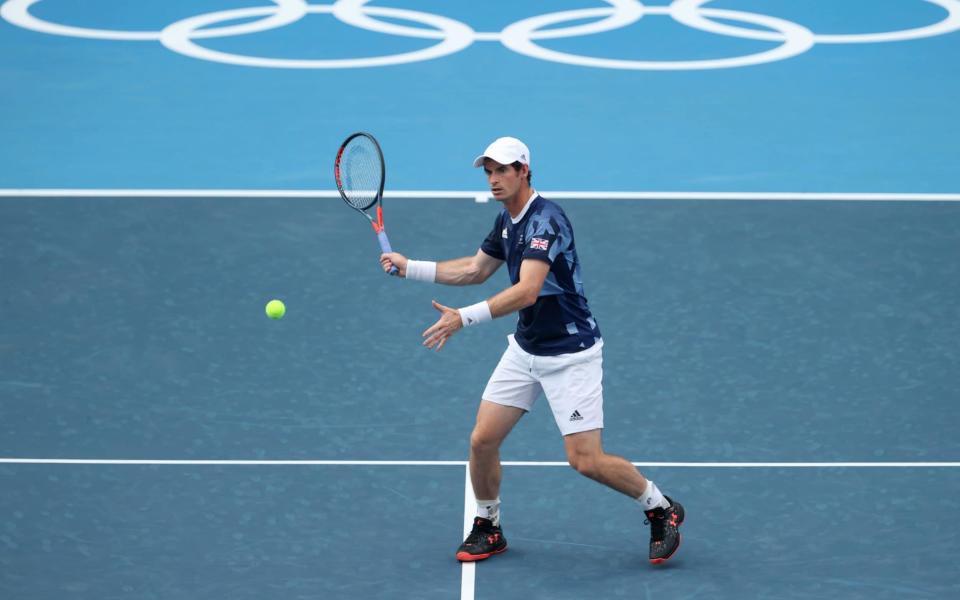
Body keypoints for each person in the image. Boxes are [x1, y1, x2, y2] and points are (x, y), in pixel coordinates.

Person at [379, 137, 684, 565]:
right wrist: (411, 267)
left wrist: (462, 319)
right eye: (488, 171)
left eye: (501, 170)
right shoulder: (507, 222)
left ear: (524, 170)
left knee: (585, 460)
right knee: (482, 440)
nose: (493, 179)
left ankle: (660, 508)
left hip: (570, 353)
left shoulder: (546, 221)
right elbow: (473, 269)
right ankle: (489, 525)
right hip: (527, 350)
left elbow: (527, 291)